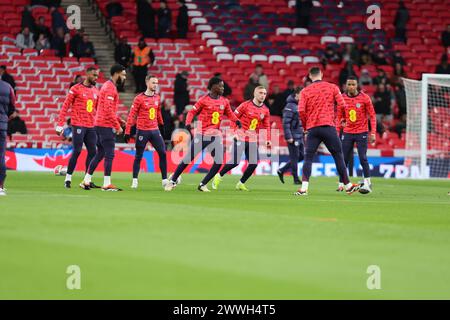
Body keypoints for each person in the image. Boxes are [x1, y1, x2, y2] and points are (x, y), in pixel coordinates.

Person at [164, 77, 242, 192]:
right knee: (188, 159)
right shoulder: (203, 100)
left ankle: (203, 184)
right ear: (213, 86)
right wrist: (187, 123)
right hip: (202, 134)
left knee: (219, 161)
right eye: (220, 86)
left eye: (223, 86)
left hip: (216, 136)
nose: (222, 88)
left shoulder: (224, 101)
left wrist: (236, 121)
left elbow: (230, 114)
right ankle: (173, 181)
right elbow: (192, 112)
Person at [295, 67, 360, 196]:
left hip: (313, 128)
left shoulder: (305, 91)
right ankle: (347, 185)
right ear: (322, 75)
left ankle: (303, 188)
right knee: (338, 155)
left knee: (308, 158)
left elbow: (301, 111)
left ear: (309, 76)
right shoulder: (333, 87)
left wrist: (305, 126)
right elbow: (342, 105)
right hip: (328, 127)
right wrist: (342, 119)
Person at [212, 86, 271, 191]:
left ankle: (241, 183)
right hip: (240, 136)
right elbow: (233, 118)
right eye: (261, 93)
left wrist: (268, 139)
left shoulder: (265, 110)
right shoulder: (245, 105)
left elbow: (266, 126)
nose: (263, 95)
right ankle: (219, 176)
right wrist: (233, 132)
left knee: (253, 164)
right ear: (255, 93)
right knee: (235, 161)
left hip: (252, 139)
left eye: (265, 93)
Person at [81, 65, 126, 191]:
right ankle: (107, 184)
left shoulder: (107, 86)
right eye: (123, 75)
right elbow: (107, 109)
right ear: (116, 74)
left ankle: (86, 180)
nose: (124, 77)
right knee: (110, 154)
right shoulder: (110, 88)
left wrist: (118, 120)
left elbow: (104, 108)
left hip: (99, 123)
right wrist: (117, 126)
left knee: (100, 153)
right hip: (105, 125)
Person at [56, 67, 100, 188]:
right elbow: (65, 106)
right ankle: (68, 178)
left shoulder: (97, 91)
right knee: (77, 151)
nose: (96, 78)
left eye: (97, 76)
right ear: (88, 75)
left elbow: (101, 109)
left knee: (93, 152)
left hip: (91, 126)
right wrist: (60, 124)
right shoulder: (75, 89)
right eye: (94, 75)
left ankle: (86, 179)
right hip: (79, 124)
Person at [124, 75, 167, 189]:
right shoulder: (139, 98)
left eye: (157, 83)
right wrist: (127, 131)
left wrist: (161, 125)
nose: (155, 85)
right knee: (138, 156)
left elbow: (158, 113)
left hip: (154, 130)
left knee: (162, 153)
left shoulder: (157, 98)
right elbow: (132, 115)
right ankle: (134, 180)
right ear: (147, 82)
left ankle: (164, 180)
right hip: (142, 131)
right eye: (153, 82)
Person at [337, 76, 376, 194]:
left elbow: (372, 115)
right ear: (346, 85)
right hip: (347, 132)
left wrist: (373, 132)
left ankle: (368, 183)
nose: (351, 87)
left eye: (353, 84)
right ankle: (341, 184)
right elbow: (339, 116)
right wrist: (337, 132)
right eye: (349, 84)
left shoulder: (365, 98)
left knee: (363, 158)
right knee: (343, 159)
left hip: (361, 132)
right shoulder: (342, 98)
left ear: (357, 85)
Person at [277, 86, 304, 185]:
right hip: (293, 136)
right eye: (302, 94)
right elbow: (286, 123)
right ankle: (296, 179)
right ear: (296, 94)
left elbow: (299, 121)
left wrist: (303, 130)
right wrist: (289, 137)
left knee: (301, 156)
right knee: (295, 157)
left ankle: (282, 170)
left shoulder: (299, 105)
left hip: (299, 136)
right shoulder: (290, 106)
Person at [0, 79, 16, 196]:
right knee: (0, 156)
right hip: (2, 125)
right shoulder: (8, 87)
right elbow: (12, 108)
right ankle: (0, 186)